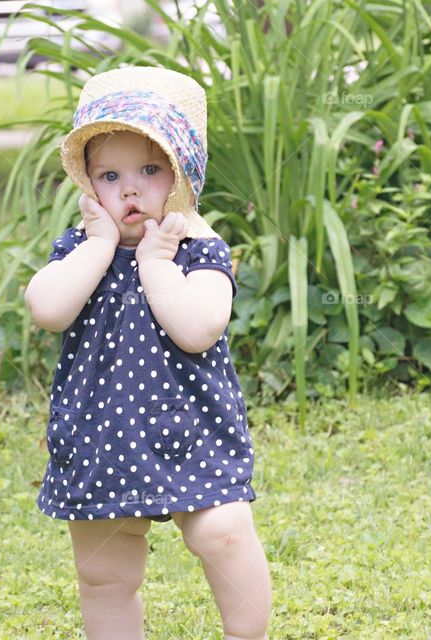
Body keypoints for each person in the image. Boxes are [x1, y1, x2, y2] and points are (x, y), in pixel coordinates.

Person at [24, 66, 271, 640]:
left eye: (149, 169)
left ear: (181, 177)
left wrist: (155, 264)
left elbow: (199, 328)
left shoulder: (197, 250)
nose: (129, 189)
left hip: (191, 430)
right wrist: (100, 248)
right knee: (104, 572)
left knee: (225, 534)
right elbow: (47, 308)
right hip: (101, 435)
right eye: (110, 175)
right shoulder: (83, 249)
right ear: (89, 186)